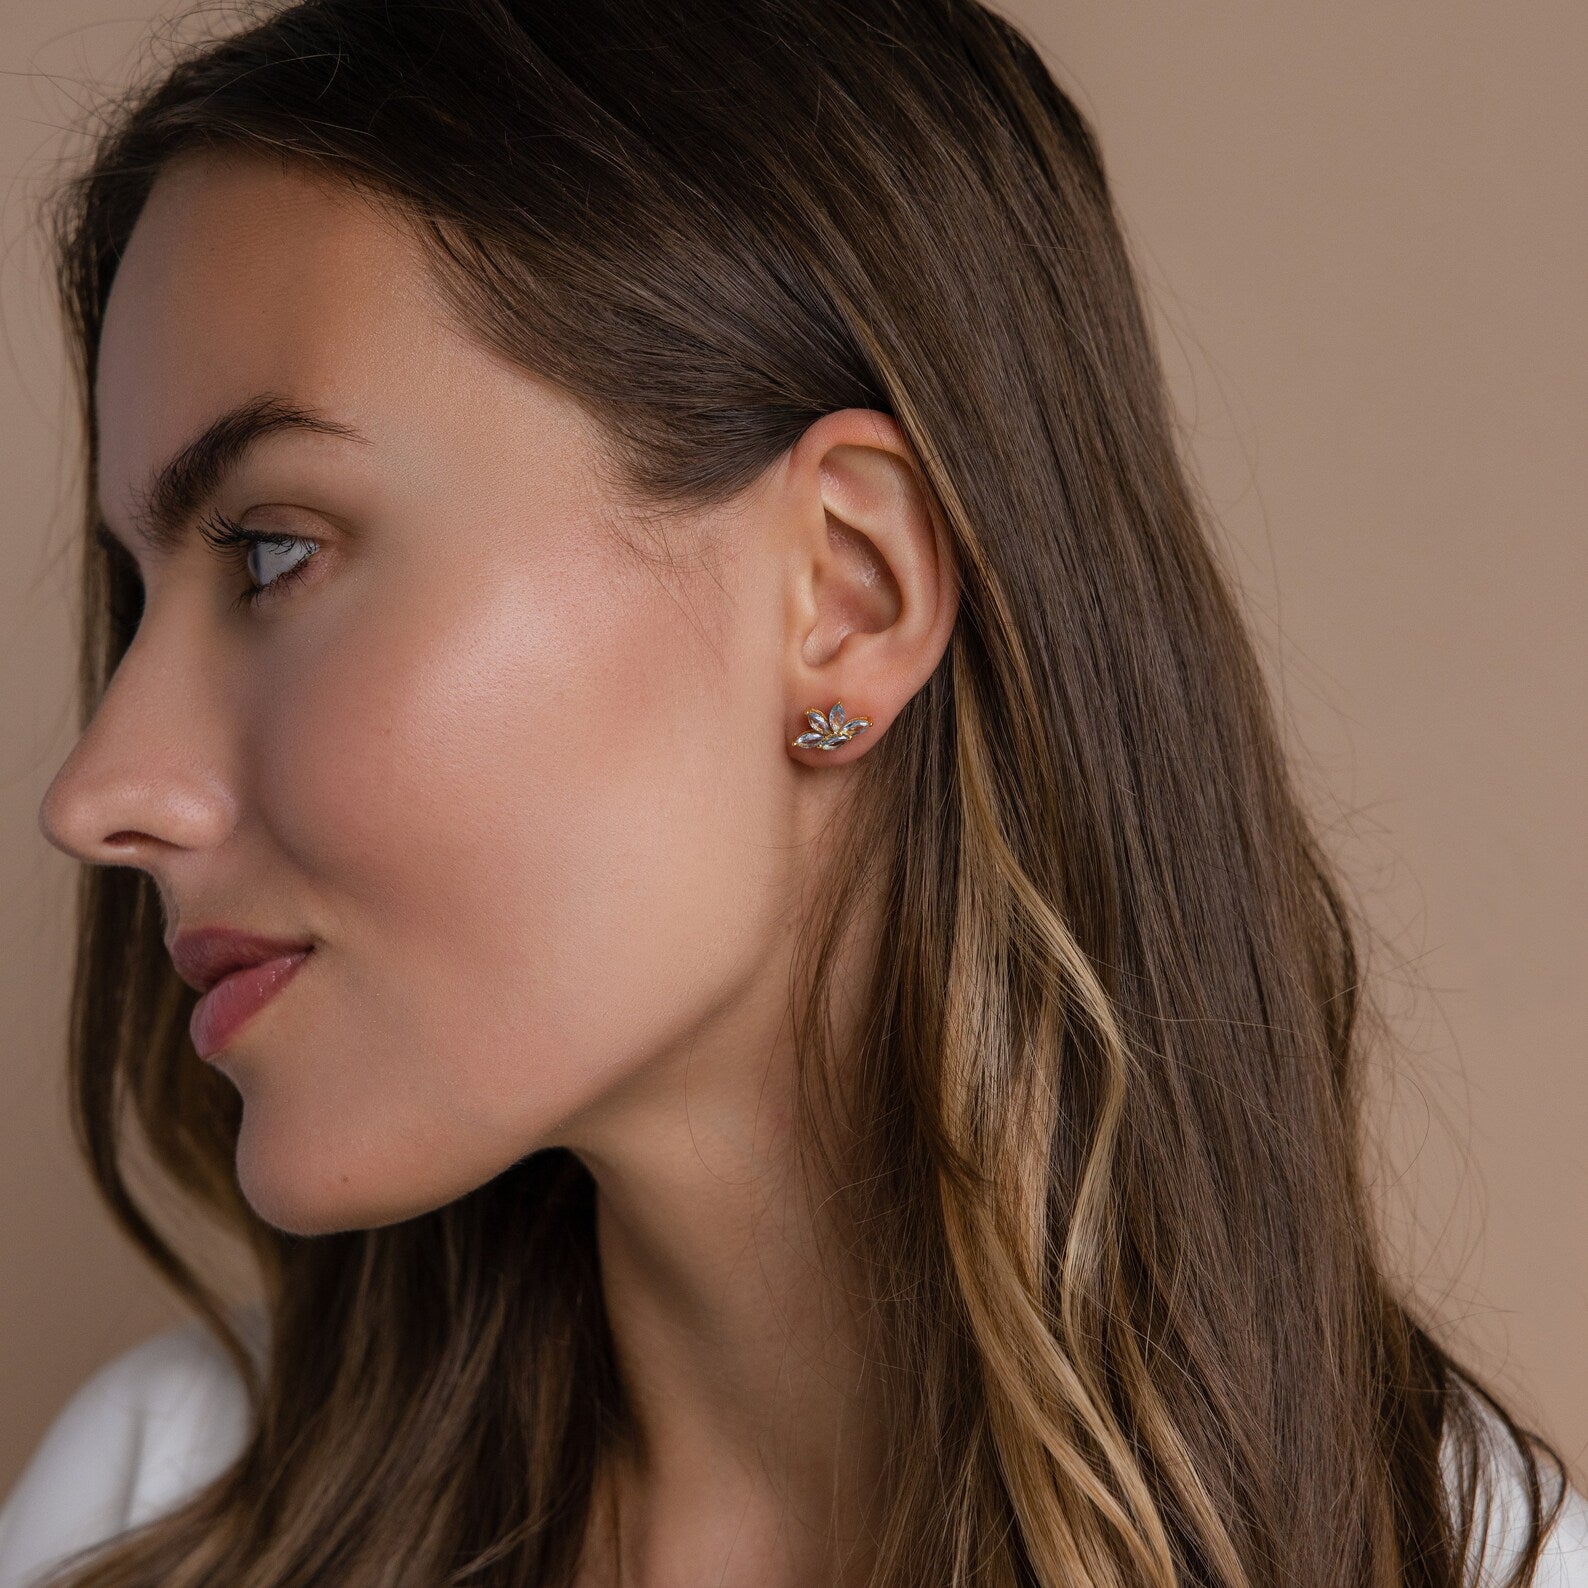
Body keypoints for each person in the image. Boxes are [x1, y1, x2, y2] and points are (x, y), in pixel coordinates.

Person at [3, 1, 1583, 1584]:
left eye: (276, 553)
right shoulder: (154, 1521)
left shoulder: (1465, 1562)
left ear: (844, 591)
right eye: (137, 604)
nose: (100, 792)